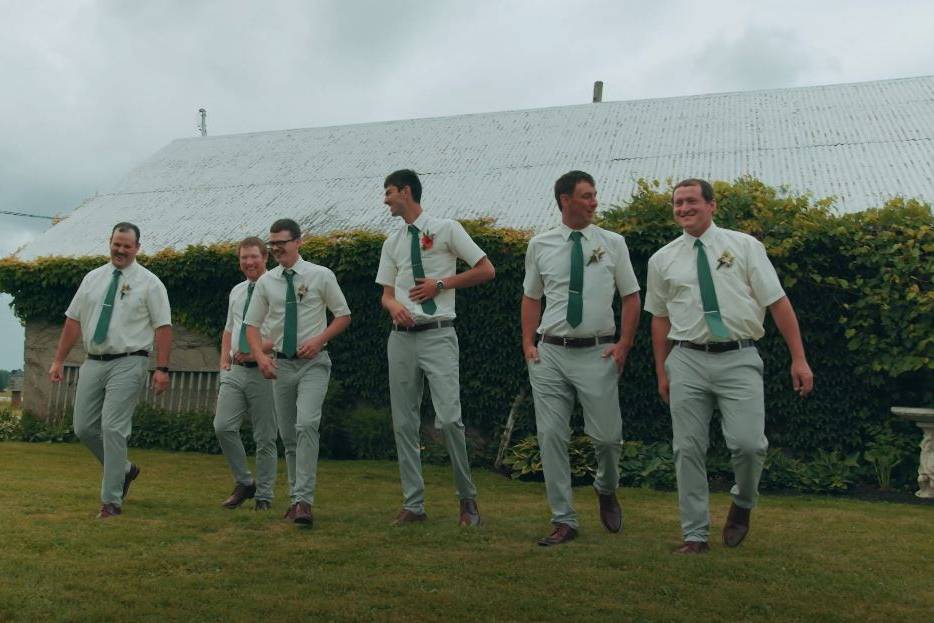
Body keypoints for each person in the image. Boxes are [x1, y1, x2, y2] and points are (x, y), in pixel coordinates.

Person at [644, 178, 814, 554]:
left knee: (749, 445)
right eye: (677, 203)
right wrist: (662, 370)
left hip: (739, 358)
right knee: (686, 449)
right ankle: (695, 535)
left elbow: (778, 302)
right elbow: (659, 318)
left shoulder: (745, 247)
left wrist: (798, 358)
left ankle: (743, 503)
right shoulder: (662, 259)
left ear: (712, 205)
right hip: (686, 360)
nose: (683, 208)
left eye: (691, 201)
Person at [521, 171, 641, 546]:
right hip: (550, 353)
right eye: (586, 196)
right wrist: (528, 344)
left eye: (594, 195)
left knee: (608, 439)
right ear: (564, 199)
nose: (594, 202)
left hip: (598, 352)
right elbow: (531, 298)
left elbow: (631, 296)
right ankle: (564, 520)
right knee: (551, 436)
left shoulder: (613, 243)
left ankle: (606, 488)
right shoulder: (540, 245)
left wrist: (623, 344)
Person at [376, 169, 495, 527]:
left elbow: (486, 270)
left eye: (389, 192)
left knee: (449, 419)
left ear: (406, 191)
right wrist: (394, 306)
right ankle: (414, 504)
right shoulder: (392, 242)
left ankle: (467, 500)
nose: (385, 200)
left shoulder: (447, 229)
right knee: (404, 423)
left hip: (439, 335)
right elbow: (385, 294)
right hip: (400, 340)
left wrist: (440, 284)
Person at [48, 222, 172, 518]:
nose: (121, 250)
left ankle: (111, 502)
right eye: (117, 244)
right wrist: (58, 360)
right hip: (93, 360)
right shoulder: (93, 278)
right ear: (110, 243)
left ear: (137, 248)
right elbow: (73, 321)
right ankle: (125, 470)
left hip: (130, 361)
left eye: (127, 245)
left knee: (113, 428)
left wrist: (162, 368)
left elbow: (163, 327)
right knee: (83, 427)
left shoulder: (150, 283)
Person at [244, 218, 351, 527]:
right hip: (281, 365)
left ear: (298, 242)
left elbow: (343, 315)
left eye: (282, 243)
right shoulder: (267, 282)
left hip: (314, 364)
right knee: (289, 436)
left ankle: (304, 501)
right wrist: (260, 358)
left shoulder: (321, 276)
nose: (277, 249)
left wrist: (319, 341)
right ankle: (295, 500)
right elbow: (251, 326)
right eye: (272, 244)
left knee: (307, 424)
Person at [214, 237, 278, 511]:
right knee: (223, 426)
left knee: (265, 437)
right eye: (244, 258)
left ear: (265, 258)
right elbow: (229, 328)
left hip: (265, 371)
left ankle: (264, 495)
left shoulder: (278, 288)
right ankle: (245, 481)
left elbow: (281, 333)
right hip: (234, 370)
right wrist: (222, 364)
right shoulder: (237, 291)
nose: (249, 262)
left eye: (254, 257)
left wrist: (255, 350)